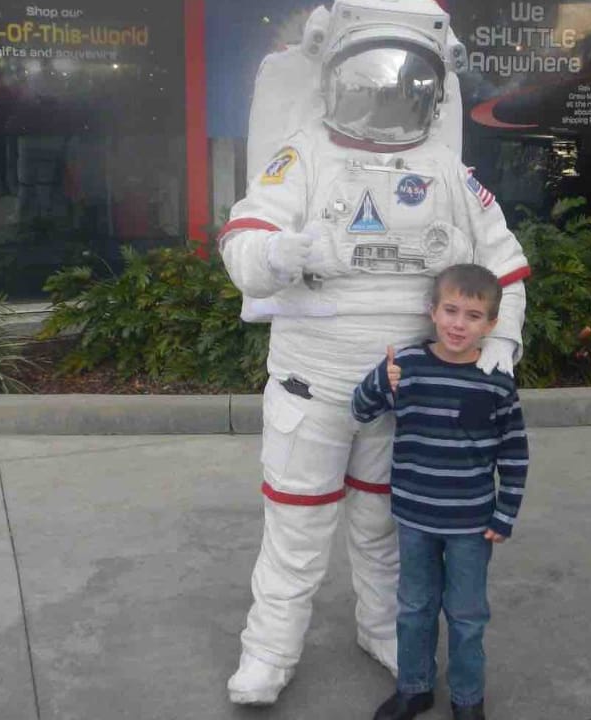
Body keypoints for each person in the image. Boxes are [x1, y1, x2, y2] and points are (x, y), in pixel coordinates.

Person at [218, 0, 530, 706]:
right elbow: (243, 244)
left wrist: (503, 339)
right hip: (314, 383)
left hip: (404, 393)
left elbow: (504, 263)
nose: (388, 90)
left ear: (432, 86)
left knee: (384, 528)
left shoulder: (444, 168)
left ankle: (384, 629)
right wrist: (284, 253)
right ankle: (268, 652)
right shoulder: (305, 154)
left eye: (407, 78)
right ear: (335, 73)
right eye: (371, 73)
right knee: (296, 526)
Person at [351, 264, 529, 720]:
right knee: (414, 607)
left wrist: (505, 512)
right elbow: (361, 410)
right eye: (450, 310)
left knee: (467, 616)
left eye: (473, 315)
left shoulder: (496, 379)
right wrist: (380, 380)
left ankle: (468, 699)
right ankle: (414, 687)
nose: (458, 324)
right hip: (414, 519)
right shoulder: (407, 366)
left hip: (472, 524)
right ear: (432, 311)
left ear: (491, 324)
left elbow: (513, 453)